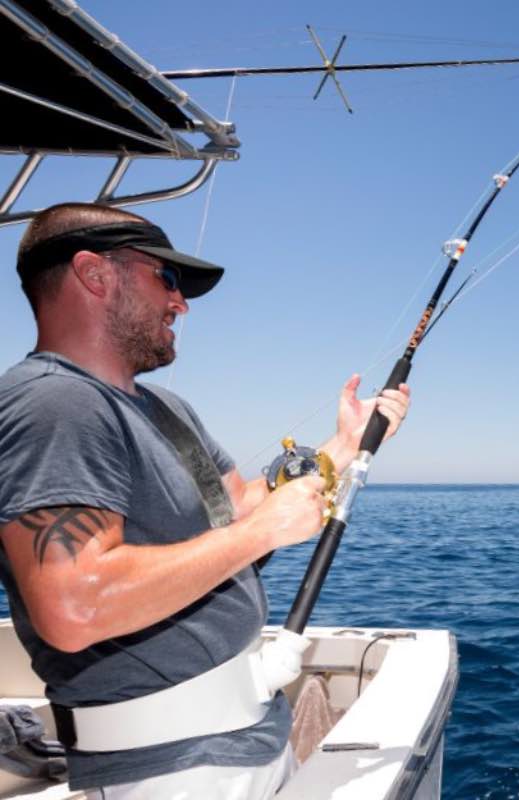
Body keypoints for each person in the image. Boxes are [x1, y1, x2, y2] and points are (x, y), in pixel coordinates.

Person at [0, 202, 410, 798]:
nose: (180, 302)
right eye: (165, 278)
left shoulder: (162, 407)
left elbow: (236, 506)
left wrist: (343, 446)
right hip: (168, 771)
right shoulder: (55, 405)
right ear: (94, 274)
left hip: (248, 737)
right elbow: (73, 606)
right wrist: (260, 533)